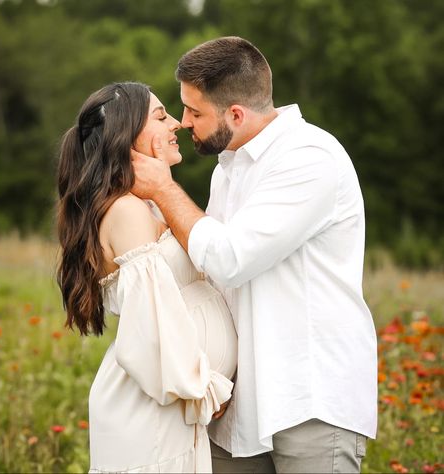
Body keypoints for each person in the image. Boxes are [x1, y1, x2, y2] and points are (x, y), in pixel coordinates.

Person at [130, 36, 378, 473]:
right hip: (238, 403)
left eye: (195, 111)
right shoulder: (230, 168)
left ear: (237, 115)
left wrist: (163, 189)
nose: (185, 122)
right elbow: (217, 283)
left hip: (308, 402)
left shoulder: (308, 157)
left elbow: (229, 258)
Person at [56, 81, 238, 473]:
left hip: (166, 406)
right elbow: (150, 327)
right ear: (127, 134)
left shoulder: (148, 205)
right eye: (160, 116)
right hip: (151, 410)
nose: (176, 123)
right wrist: (199, 388)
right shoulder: (127, 211)